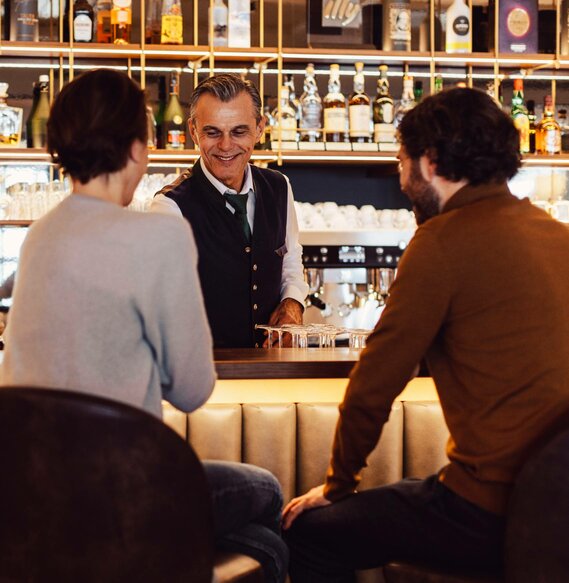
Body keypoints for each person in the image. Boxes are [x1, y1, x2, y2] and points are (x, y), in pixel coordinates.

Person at [0, 69, 288, 583]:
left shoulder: (37, 238)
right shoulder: (158, 234)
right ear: (140, 148)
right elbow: (195, 389)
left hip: (35, 495)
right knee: (266, 493)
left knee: (262, 543)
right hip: (126, 489)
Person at [281, 87, 569, 582]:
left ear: (430, 162)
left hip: (492, 510)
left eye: (401, 162)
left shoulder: (439, 242)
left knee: (311, 533)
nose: (400, 177)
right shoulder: (556, 235)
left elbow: (375, 382)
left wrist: (337, 485)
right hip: (556, 509)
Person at [151, 73, 308, 348]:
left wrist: (293, 302)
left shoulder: (279, 187)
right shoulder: (170, 208)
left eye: (238, 131)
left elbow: (290, 259)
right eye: (212, 132)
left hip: (273, 372)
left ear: (260, 128)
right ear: (193, 131)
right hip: (206, 377)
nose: (225, 146)